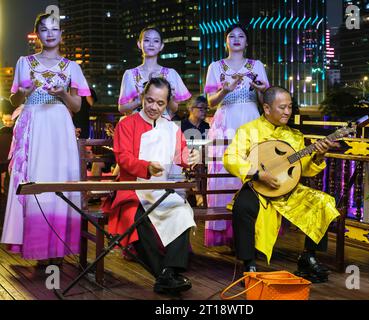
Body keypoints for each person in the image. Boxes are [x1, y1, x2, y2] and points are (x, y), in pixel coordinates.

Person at [223, 86, 340, 283]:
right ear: (267, 108)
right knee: (242, 207)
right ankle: (248, 263)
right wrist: (258, 174)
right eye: (282, 107)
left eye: (290, 107)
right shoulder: (248, 130)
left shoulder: (295, 136)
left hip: (286, 190)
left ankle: (308, 256)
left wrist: (319, 154)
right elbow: (230, 158)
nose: (288, 112)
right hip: (258, 187)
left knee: (323, 202)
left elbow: (304, 169)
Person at [1, 13, 90, 266]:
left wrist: (63, 93)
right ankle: (38, 247)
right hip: (34, 124)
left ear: (62, 34)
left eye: (55, 29)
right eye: (44, 29)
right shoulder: (24, 62)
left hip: (60, 126)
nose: (50, 34)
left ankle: (58, 249)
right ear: (37, 33)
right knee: (36, 180)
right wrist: (25, 93)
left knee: (59, 181)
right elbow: (15, 100)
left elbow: (75, 106)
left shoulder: (72, 67)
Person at [103, 78, 200, 295]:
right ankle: (165, 275)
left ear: (167, 104)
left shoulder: (172, 129)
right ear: (141, 98)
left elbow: (181, 155)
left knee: (182, 211)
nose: (154, 107)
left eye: (160, 103)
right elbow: (123, 158)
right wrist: (146, 167)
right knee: (136, 219)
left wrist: (191, 156)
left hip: (162, 189)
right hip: (131, 188)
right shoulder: (126, 124)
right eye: (149, 101)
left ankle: (168, 272)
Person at [204, 23, 269, 247]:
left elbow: (264, 101)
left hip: (251, 120)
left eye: (241, 36)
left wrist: (261, 90)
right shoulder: (215, 66)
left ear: (247, 42)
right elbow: (211, 103)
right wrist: (226, 90)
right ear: (226, 41)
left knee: (251, 171)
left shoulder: (257, 65)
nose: (237, 39)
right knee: (225, 172)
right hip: (225, 122)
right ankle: (228, 233)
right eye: (232, 36)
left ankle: (253, 231)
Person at [118, 27, 191, 120]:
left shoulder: (171, 74)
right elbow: (121, 108)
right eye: (147, 40)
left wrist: (170, 97)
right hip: (137, 125)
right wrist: (139, 101)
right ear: (139, 44)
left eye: (156, 41)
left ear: (161, 46)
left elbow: (174, 108)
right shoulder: (130, 74)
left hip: (162, 126)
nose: (151, 44)